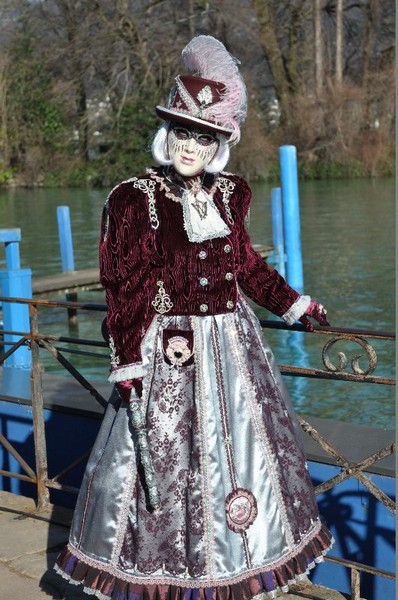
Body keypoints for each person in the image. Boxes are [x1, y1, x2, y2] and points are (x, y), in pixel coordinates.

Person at [55, 35, 333, 600]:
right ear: (168, 133)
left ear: (218, 145)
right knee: (162, 470)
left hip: (233, 348)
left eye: (204, 137)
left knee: (241, 463)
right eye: (184, 131)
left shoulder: (232, 195)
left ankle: (236, 568)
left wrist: (294, 304)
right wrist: (129, 358)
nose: (191, 146)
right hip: (167, 353)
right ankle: (167, 580)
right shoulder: (134, 199)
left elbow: (247, 269)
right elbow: (125, 285)